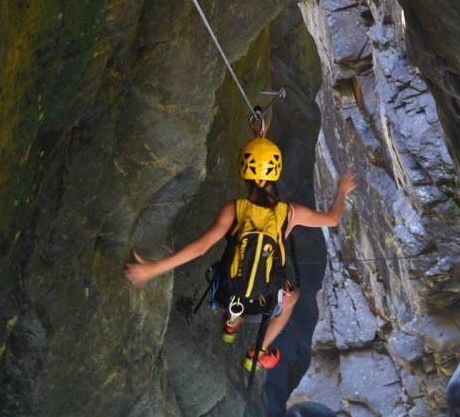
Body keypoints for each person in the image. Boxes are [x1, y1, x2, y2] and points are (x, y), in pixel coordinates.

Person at [125, 137, 357, 370]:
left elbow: (200, 247)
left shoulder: (234, 209)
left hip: (227, 295)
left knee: (232, 268)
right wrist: (342, 191)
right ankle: (258, 352)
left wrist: (153, 269)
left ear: (244, 172)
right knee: (292, 296)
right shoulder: (290, 213)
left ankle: (232, 321)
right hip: (263, 306)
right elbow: (332, 218)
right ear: (275, 174)